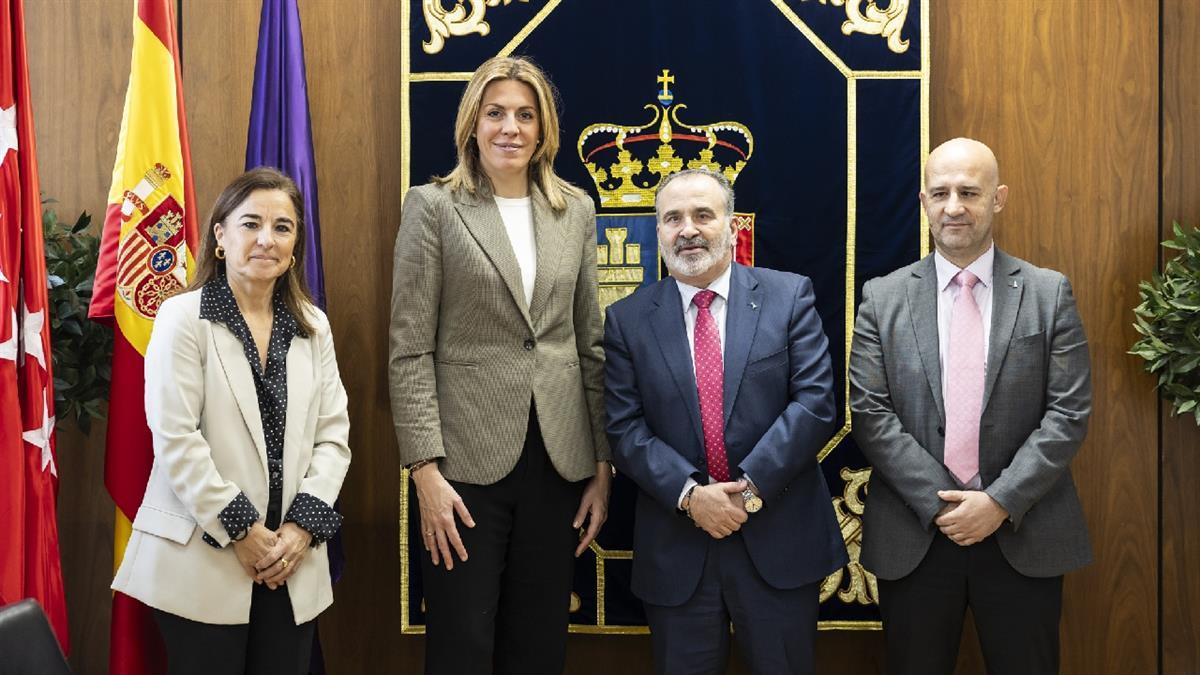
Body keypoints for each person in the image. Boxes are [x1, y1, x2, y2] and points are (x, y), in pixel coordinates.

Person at [389, 56, 611, 675]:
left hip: (559, 460)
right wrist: (425, 472)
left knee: (538, 645)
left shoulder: (576, 209)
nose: (510, 127)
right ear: (472, 124)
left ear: (543, 129)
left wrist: (602, 464)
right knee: (461, 643)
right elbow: (409, 349)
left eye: (525, 115)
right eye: (495, 113)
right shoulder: (434, 207)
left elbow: (588, 343)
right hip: (463, 467)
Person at [849, 137, 1093, 675]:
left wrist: (999, 501)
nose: (953, 206)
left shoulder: (1048, 293)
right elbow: (870, 412)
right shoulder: (882, 298)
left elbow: (1068, 412)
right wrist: (942, 504)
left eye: (969, 192)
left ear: (998, 198)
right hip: (916, 532)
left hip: (1021, 529)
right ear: (923, 202)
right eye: (940, 193)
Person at [604, 168, 848, 675]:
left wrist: (748, 490)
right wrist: (692, 497)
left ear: (733, 226)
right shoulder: (627, 319)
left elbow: (815, 403)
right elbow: (624, 428)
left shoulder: (789, 296)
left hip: (778, 539)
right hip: (678, 550)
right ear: (658, 230)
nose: (688, 229)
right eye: (673, 218)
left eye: (703, 215)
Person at [111, 167, 352, 675]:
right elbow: (176, 437)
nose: (267, 239)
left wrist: (299, 530)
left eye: (283, 227)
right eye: (251, 224)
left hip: (290, 560)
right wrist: (243, 531)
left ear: (295, 244)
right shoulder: (183, 317)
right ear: (220, 236)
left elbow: (333, 438)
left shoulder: (313, 326)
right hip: (202, 560)